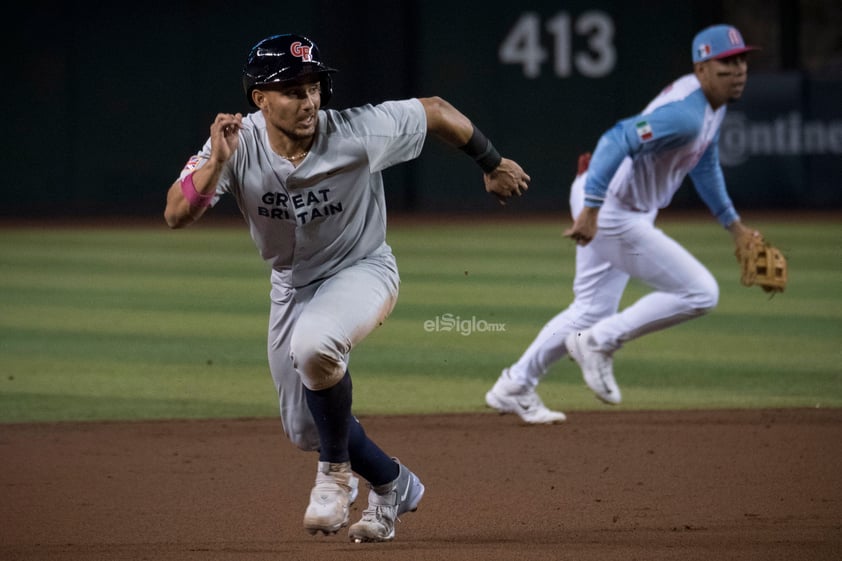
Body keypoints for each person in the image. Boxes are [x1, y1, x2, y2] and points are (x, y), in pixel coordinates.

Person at [164, 34, 529, 542]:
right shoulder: (235, 142)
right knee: (305, 428)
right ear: (260, 100)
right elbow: (176, 214)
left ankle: (335, 476)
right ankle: (392, 483)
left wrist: (491, 163)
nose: (309, 100)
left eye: (314, 86)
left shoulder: (358, 131)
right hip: (292, 287)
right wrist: (215, 165)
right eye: (292, 90)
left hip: (363, 269)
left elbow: (437, 111)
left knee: (315, 347)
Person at [485, 24, 762, 423]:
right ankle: (598, 342)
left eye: (741, 61)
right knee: (700, 292)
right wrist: (593, 210)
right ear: (701, 69)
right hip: (611, 207)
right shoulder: (685, 115)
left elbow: (705, 163)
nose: (737, 70)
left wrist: (734, 226)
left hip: (614, 202)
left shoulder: (711, 107)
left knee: (590, 308)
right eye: (725, 63)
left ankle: (513, 385)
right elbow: (617, 138)